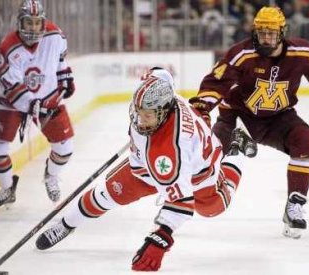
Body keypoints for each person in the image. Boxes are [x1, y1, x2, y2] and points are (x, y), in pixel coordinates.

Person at [34, 68, 256, 271]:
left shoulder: (170, 149)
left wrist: (160, 237)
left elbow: (181, 201)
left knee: (213, 208)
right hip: (146, 169)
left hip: (199, 172)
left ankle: (237, 150)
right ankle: (65, 225)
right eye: (138, 111)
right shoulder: (157, 91)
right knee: (106, 195)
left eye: (147, 115)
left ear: (162, 112)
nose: (140, 119)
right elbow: (161, 73)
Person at [189, 6, 309, 239]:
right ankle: (181, 191)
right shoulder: (241, 53)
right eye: (262, 32)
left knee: (305, 139)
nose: (266, 37)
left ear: (282, 32)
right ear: (254, 31)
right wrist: (202, 106)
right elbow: (214, 83)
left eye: (272, 32)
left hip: (278, 118)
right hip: (239, 117)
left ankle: (295, 205)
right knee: (207, 150)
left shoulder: (303, 53)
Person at [0, 0, 76, 208]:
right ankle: (7, 189)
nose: (33, 27)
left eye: (37, 22)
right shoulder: (8, 48)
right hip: (11, 102)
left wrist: (65, 80)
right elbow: (11, 87)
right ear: (20, 23)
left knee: (65, 148)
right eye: (29, 23)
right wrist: (32, 104)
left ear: (43, 23)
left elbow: (61, 61)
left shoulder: (55, 36)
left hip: (46, 96)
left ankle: (51, 176)